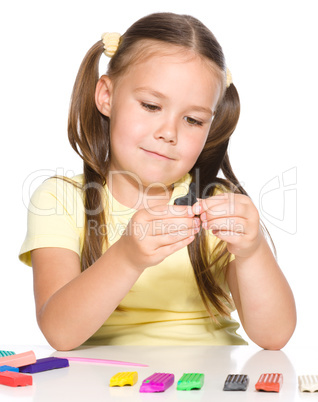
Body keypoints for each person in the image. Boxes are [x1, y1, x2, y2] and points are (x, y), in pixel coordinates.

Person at [19, 12, 296, 351]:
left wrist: (252, 252)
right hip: (101, 382)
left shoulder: (214, 203)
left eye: (193, 120)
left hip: (212, 383)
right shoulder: (61, 200)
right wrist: (127, 257)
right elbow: (59, 333)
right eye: (151, 106)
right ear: (106, 96)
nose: (168, 133)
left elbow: (274, 336)